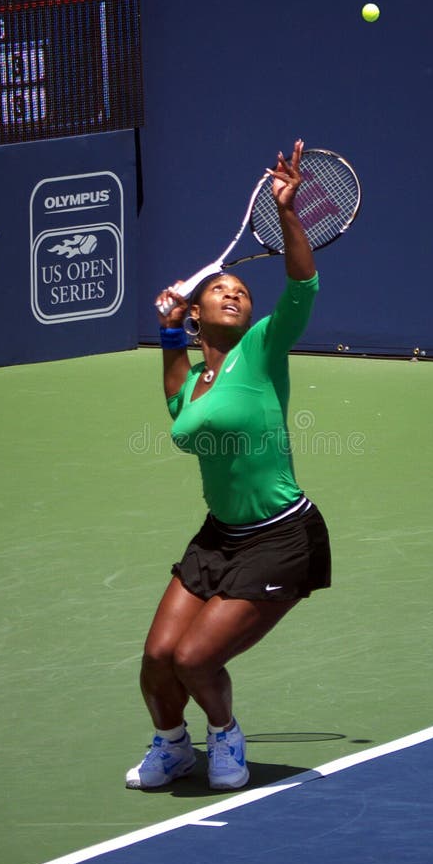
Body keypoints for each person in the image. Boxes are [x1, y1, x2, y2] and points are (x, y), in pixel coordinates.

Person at [126, 139, 331, 792]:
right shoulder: (196, 383)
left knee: (194, 658)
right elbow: (176, 403)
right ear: (197, 312)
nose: (234, 294)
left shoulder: (264, 349)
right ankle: (171, 746)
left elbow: (301, 283)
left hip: (281, 537)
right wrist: (168, 332)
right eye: (220, 290)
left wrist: (288, 211)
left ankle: (224, 735)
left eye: (241, 290)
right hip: (219, 536)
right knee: (157, 658)